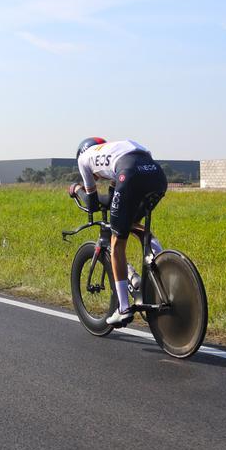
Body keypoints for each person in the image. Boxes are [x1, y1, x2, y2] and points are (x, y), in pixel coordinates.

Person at [68, 137, 167, 327]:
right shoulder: (115, 150)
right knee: (135, 226)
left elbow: (92, 203)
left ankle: (123, 309)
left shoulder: (84, 159)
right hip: (157, 175)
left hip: (129, 174)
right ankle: (161, 265)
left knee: (117, 242)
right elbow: (113, 199)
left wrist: (77, 189)